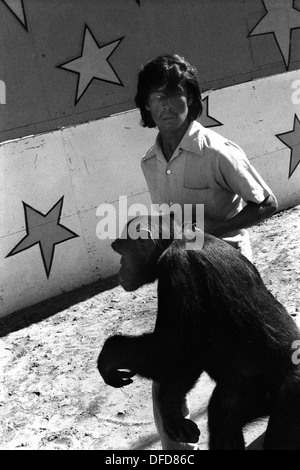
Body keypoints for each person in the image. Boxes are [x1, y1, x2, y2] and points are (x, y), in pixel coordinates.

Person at [134, 53, 278, 450]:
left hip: (230, 278)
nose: (165, 104)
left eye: (173, 94)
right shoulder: (150, 162)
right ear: (145, 105)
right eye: (155, 96)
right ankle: (176, 453)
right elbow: (168, 224)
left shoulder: (217, 150)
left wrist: (209, 232)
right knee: (167, 373)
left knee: (257, 369)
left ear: (192, 99)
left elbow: (266, 202)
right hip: (183, 278)